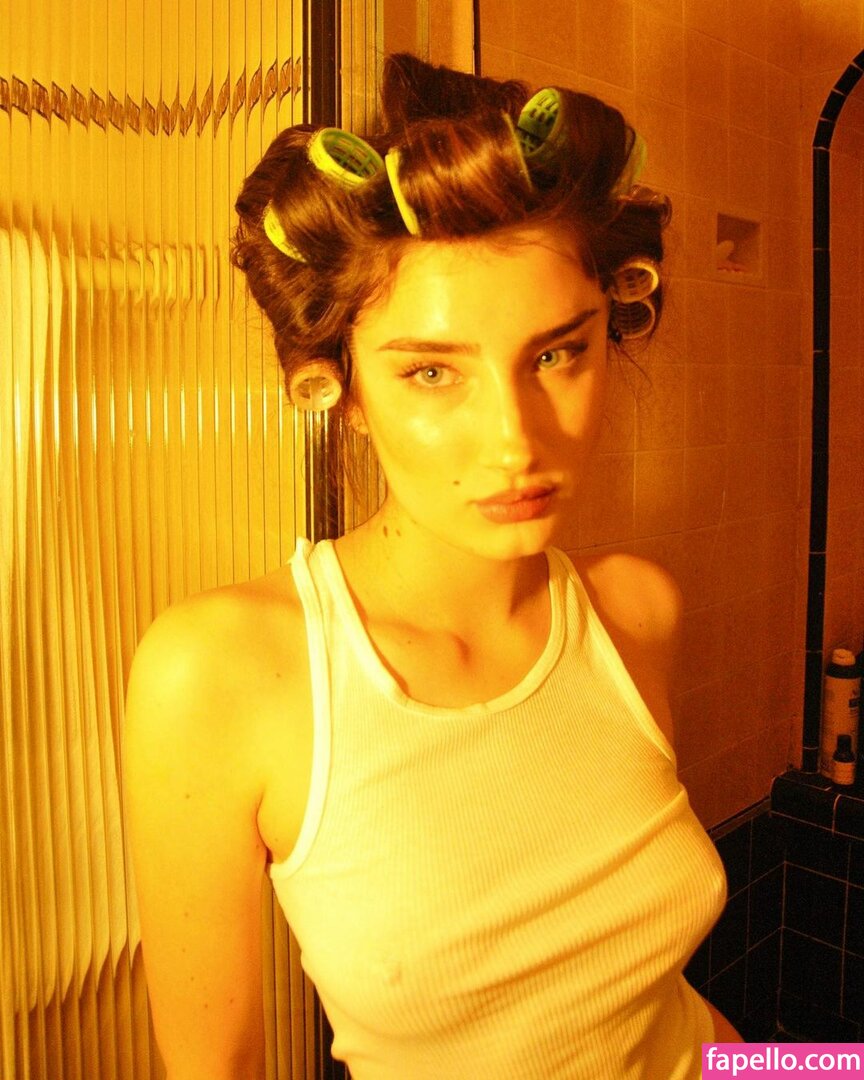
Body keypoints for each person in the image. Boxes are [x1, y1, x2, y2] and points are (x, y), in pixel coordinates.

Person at [123, 53, 740, 1080]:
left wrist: (815, 1068)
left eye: (557, 354)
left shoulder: (636, 611)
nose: (514, 440)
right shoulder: (225, 675)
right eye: (430, 372)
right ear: (344, 390)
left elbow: (653, 1023)